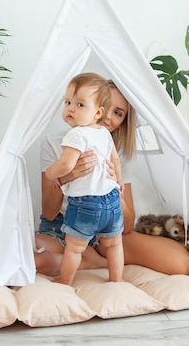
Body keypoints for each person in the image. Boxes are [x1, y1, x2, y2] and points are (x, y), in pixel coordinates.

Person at [35, 79, 189, 277]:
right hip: (63, 228)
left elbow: (126, 224)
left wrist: (113, 185)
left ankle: (91, 259)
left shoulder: (116, 154)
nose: (107, 117)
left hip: (105, 230)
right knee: (34, 260)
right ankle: (90, 261)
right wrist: (67, 177)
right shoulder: (55, 143)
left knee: (181, 264)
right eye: (106, 106)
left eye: (118, 113)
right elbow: (49, 212)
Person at [44, 72, 124, 285]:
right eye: (68, 102)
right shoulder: (105, 134)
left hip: (86, 204)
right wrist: (119, 182)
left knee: (74, 248)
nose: (70, 108)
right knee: (115, 245)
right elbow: (115, 160)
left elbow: (66, 165)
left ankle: (64, 282)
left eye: (80, 105)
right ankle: (116, 281)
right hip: (112, 201)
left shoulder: (76, 135)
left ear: (98, 112)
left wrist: (51, 173)